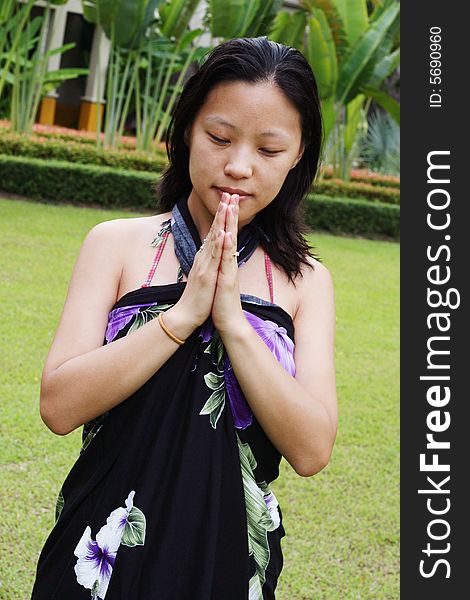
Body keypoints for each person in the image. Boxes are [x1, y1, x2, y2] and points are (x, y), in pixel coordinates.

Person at [32, 36, 337, 599]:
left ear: (298, 155)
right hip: (102, 549)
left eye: (269, 150)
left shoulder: (305, 282)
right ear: (185, 131)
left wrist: (233, 324)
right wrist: (181, 316)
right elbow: (58, 405)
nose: (238, 166)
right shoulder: (115, 246)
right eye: (219, 137)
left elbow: (312, 449)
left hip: (229, 556)